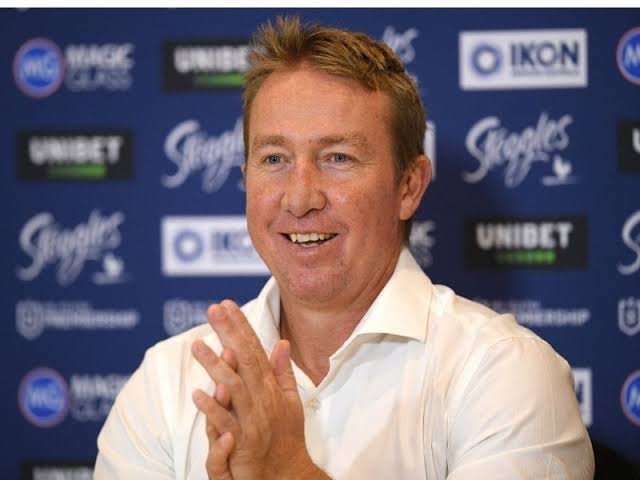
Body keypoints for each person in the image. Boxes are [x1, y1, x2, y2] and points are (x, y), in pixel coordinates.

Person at [95, 16, 595, 480]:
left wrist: (288, 471)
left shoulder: (505, 372)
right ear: (245, 177)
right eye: (274, 158)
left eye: (338, 157)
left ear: (409, 186)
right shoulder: (168, 383)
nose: (300, 198)